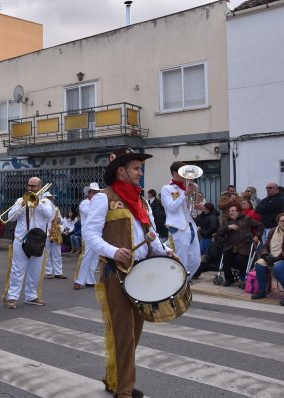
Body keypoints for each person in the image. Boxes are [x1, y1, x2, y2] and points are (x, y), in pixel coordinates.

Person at [87, 148, 174, 398]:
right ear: (121, 170)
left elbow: (151, 236)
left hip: (142, 273)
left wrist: (166, 251)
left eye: (140, 167)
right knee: (122, 332)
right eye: (136, 168)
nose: (140, 172)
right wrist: (113, 251)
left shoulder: (141, 200)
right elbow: (90, 234)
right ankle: (123, 390)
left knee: (134, 332)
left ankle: (113, 377)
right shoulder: (104, 198)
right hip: (116, 273)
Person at [3, 177, 53, 309]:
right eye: (29, 186)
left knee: (35, 270)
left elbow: (49, 216)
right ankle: (12, 297)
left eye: (34, 186)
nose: (30, 188)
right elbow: (10, 218)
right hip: (21, 240)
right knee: (17, 270)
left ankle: (31, 296)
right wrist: (21, 205)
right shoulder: (20, 200)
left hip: (38, 241)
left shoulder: (45, 202)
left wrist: (38, 204)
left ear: (40, 187)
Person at [161, 161, 201, 279]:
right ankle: (177, 283)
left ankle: (184, 282)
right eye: (182, 173)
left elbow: (190, 211)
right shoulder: (166, 189)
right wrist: (185, 194)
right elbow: (171, 207)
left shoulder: (185, 189)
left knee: (196, 261)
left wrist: (198, 208)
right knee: (180, 260)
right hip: (177, 227)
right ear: (174, 173)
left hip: (191, 226)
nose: (185, 176)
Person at [216, 204, 262, 286]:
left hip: (244, 245)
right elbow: (219, 231)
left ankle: (242, 278)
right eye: (230, 211)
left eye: (233, 211)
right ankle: (229, 279)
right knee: (226, 257)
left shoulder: (246, 218)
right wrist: (228, 227)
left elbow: (260, 225)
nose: (231, 212)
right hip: (230, 246)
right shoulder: (227, 221)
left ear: (238, 212)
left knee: (240, 258)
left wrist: (257, 236)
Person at [251, 213, 284, 306]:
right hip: (273, 257)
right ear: (278, 222)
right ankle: (262, 291)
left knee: (278, 268)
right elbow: (266, 246)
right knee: (259, 264)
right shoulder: (272, 231)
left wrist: (278, 257)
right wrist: (265, 256)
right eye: (282, 221)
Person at [75, 182, 103, 290]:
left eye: (97, 192)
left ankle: (90, 280)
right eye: (94, 192)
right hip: (89, 232)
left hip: (98, 232)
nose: (95, 194)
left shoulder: (97, 203)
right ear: (89, 193)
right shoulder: (84, 203)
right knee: (88, 256)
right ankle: (79, 280)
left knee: (95, 257)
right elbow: (92, 214)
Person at [44, 192, 66, 280]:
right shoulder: (42, 209)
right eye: (48, 198)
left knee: (57, 253)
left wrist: (59, 220)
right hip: (46, 233)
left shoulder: (56, 209)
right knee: (47, 253)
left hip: (55, 232)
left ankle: (58, 272)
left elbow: (62, 221)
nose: (50, 200)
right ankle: (48, 272)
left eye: (50, 198)